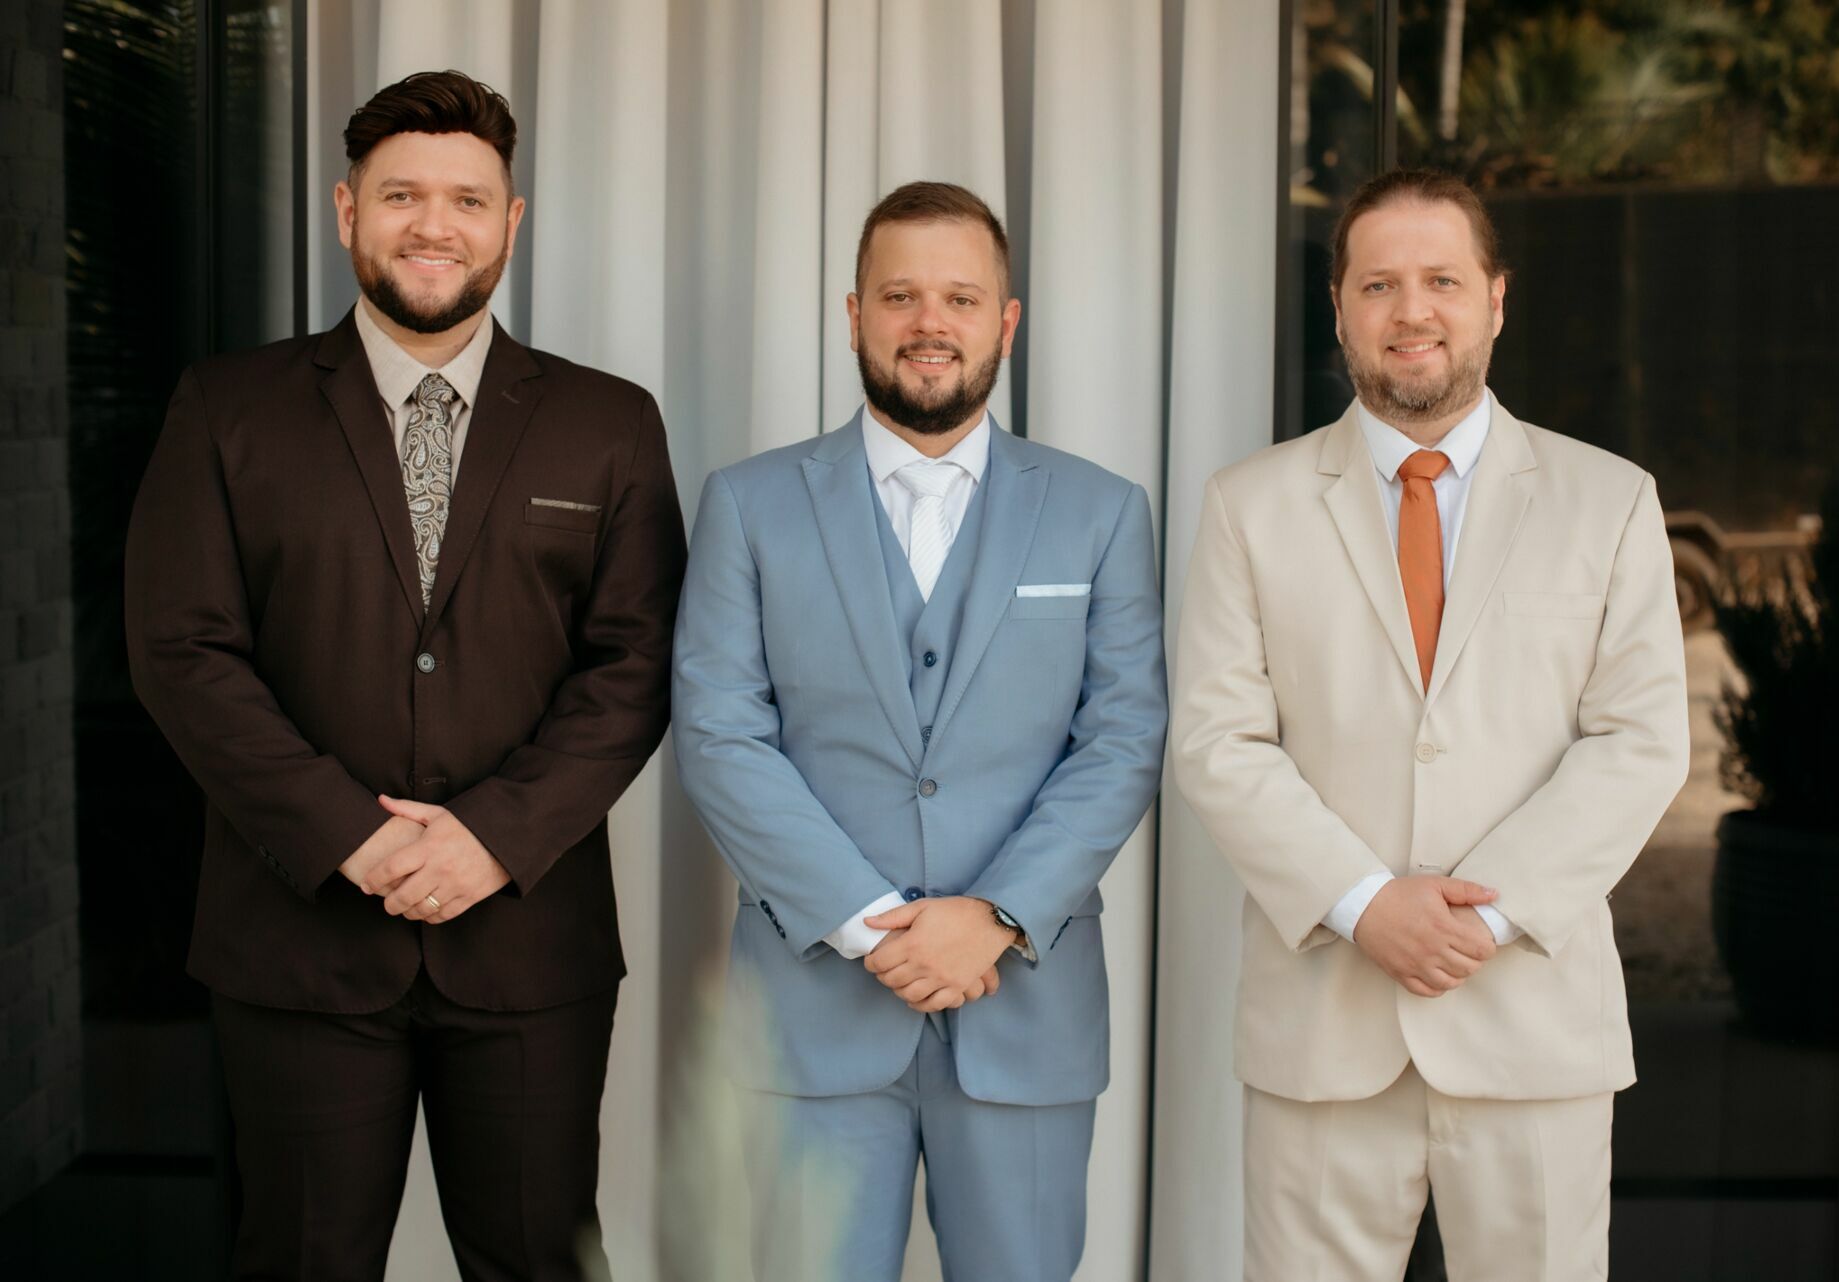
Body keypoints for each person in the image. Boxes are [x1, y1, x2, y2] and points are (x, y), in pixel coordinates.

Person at [124, 69, 685, 1280]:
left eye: (468, 200)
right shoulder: (226, 409)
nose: (436, 225)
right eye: (402, 195)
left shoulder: (610, 422)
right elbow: (183, 650)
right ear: (346, 210)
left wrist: (489, 836)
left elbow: (634, 663)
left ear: (511, 223)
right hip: (298, 941)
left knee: (542, 1258)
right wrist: (348, 835)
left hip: (528, 945)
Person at [1171, 167, 1690, 1281]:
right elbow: (1218, 742)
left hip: (1535, 1029)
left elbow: (1641, 740)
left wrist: (1480, 921)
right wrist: (1364, 905)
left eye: (1442, 279)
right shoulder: (1245, 506)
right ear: (1340, 306)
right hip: (1322, 1033)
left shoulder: (1612, 500)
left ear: (1496, 299)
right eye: (1381, 283)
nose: (1413, 311)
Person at [671, 180, 1167, 1282]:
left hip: (1025, 1008)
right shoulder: (750, 504)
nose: (928, 322)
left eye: (958, 296)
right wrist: (867, 923)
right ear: (854, 314)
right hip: (813, 1010)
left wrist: (991, 914)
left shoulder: (1100, 511)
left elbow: (1124, 736)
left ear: (1006, 319)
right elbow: (719, 733)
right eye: (900, 295)